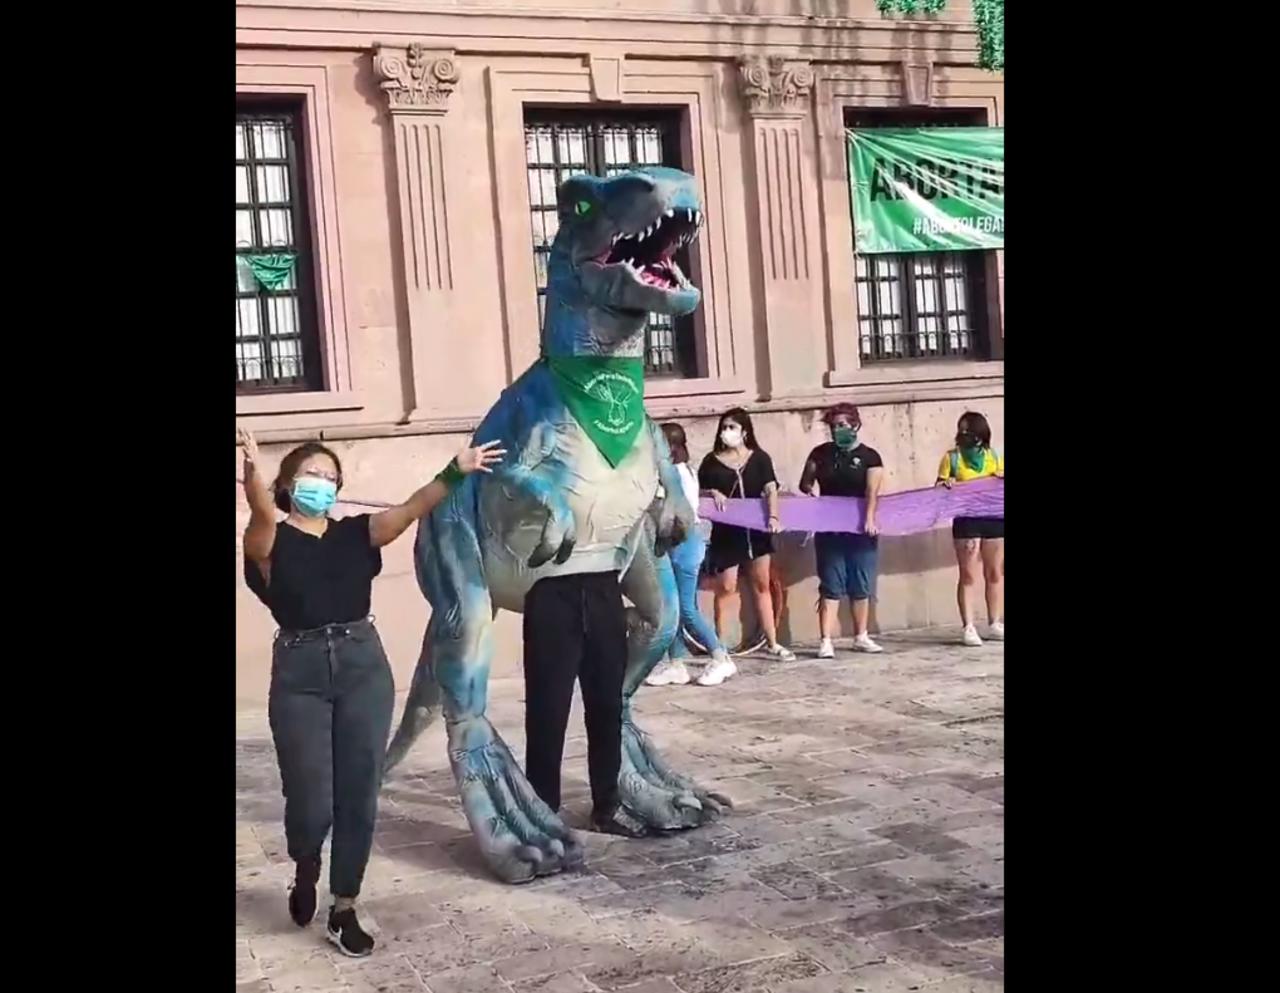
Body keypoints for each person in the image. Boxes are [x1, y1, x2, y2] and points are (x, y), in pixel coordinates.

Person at [238, 428, 504, 956]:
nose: (323, 483)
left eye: (331, 477)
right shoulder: (268, 543)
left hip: (363, 664)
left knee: (360, 789)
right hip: (299, 671)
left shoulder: (357, 534)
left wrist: (456, 470)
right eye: (312, 474)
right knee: (310, 797)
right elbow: (262, 516)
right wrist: (252, 474)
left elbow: (411, 508)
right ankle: (306, 862)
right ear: (288, 484)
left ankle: (344, 906)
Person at [697, 408, 796, 661]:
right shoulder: (711, 461)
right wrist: (712, 493)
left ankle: (772, 642)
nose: (726, 432)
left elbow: (770, 489)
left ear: (744, 431)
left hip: (756, 532)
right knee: (726, 587)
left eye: (732, 427)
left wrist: (773, 517)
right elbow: (697, 491)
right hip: (727, 534)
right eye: (724, 427)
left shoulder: (759, 458)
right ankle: (720, 647)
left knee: (761, 584)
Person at [646, 422, 738, 687]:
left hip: (684, 544)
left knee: (686, 608)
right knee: (671, 607)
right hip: (673, 545)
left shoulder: (675, 474)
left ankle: (720, 657)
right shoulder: (683, 470)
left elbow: (671, 510)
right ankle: (676, 664)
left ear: (671, 447)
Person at [799, 403, 885, 657]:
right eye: (833, 427)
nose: (837, 430)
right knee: (831, 583)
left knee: (861, 582)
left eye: (842, 425)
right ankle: (826, 640)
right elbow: (805, 483)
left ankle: (861, 636)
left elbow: (872, 491)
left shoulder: (870, 457)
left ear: (855, 425)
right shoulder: (820, 454)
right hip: (829, 529)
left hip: (860, 529)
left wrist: (869, 519)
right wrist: (810, 494)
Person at [936, 411, 1004, 646]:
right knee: (968, 574)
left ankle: (994, 623)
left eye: (969, 430)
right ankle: (968, 626)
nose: (964, 434)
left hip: (993, 518)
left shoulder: (993, 456)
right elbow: (938, 487)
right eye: (961, 430)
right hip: (967, 519)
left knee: (994, 572)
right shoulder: (952, 458)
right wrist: (946, 483)